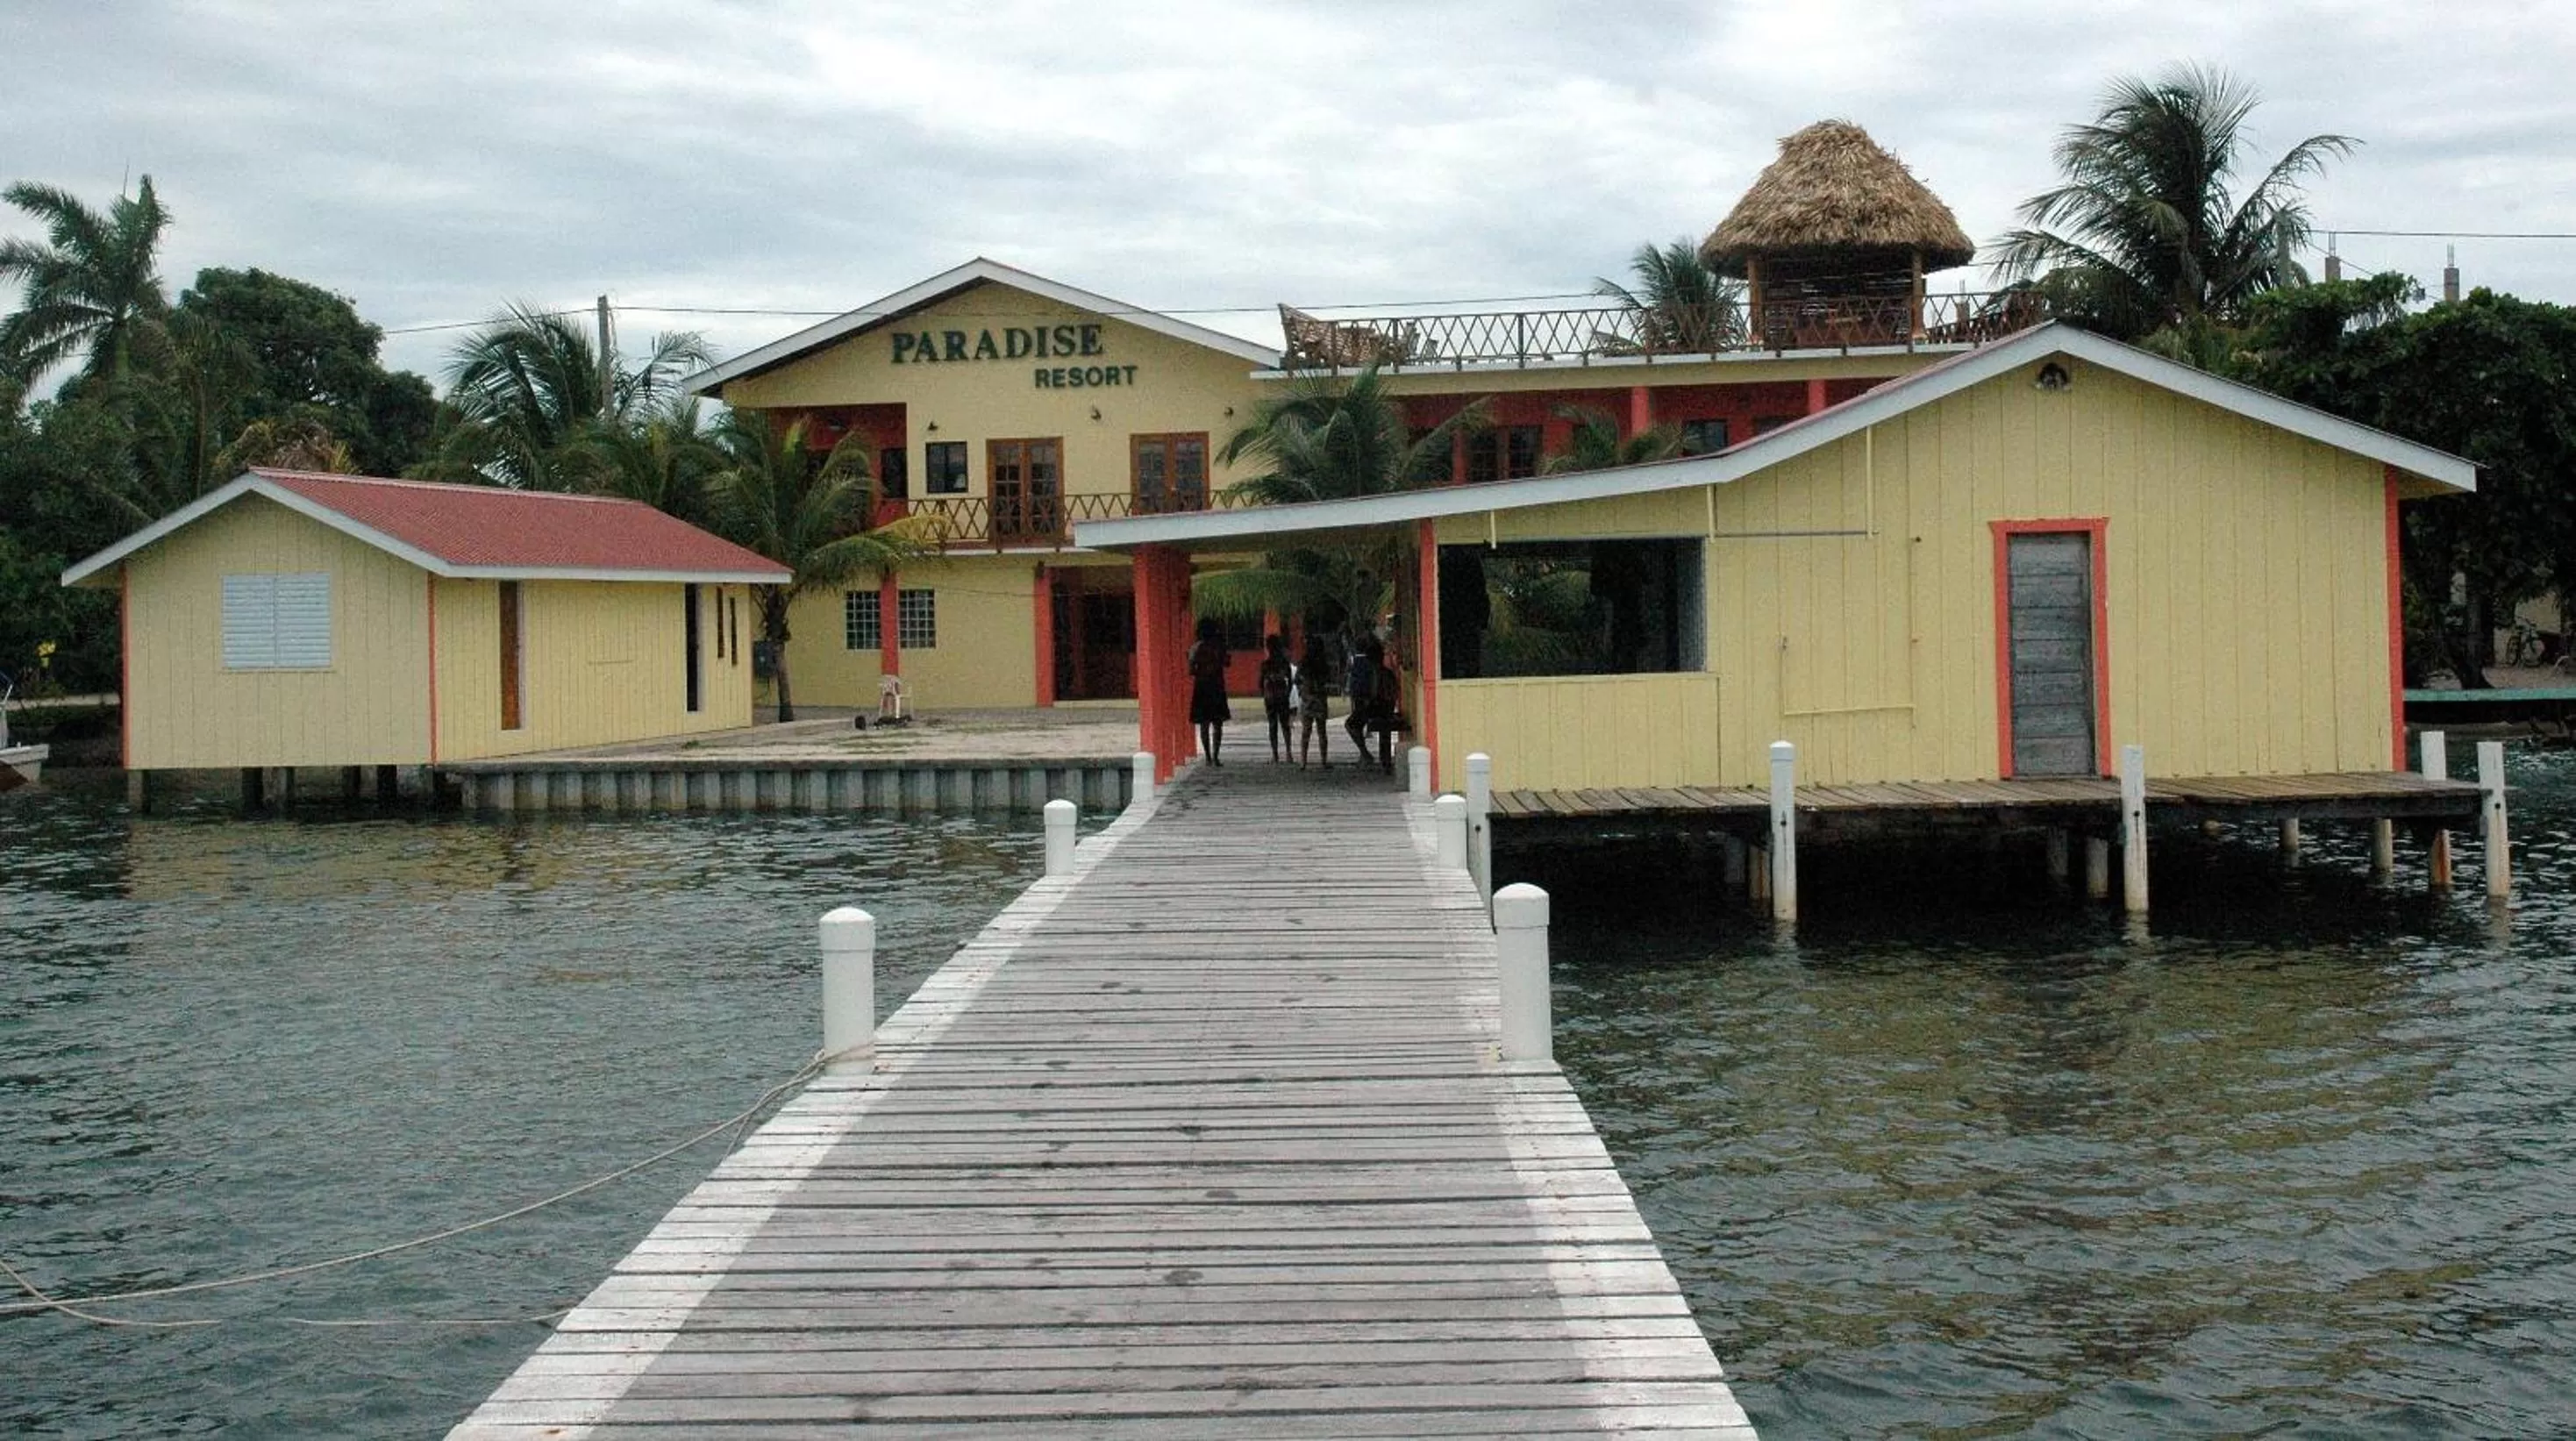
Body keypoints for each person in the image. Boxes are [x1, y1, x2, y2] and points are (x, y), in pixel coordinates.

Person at [1187, 616, 1231, 766]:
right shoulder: (1219, 647)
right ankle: (1216, 755)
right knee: (1218, 723)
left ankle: (1207, 757)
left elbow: (1191, 670)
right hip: (1217, 686)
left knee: (1204, 724)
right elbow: (1227, 663)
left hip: (1202, 687)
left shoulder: (1196, 648)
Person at [1343, 631, 1384, 761]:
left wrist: (1369, 698)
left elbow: (1370, 684)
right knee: (1356, 725)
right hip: (1366, 701)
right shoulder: (1369, 664)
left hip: (1366, 701)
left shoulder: (1361, 663)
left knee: (1351, 725)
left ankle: (1365, 753)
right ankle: (1364, 753)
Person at [1295, 632, 1333, 768]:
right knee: (1322, 731)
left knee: (1306, 731)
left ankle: (1303, 761)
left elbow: (1297, 679)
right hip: (1320, 697)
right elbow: (1328, 678)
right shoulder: (1323, 663)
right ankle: (1323, 760)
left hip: (1307, 698)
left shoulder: (1304, 662)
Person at [1258, 634, 1295, 763]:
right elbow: (1290, 681)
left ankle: (1275, 755)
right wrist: (1287, 693)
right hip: (1282, 696)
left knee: (1272, 725)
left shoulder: (1266, 665)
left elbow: (1260, 683)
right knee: (1285, 725)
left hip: (1270, 697)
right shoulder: (1285, 664)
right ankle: (1289, 753)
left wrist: (1264, 694)